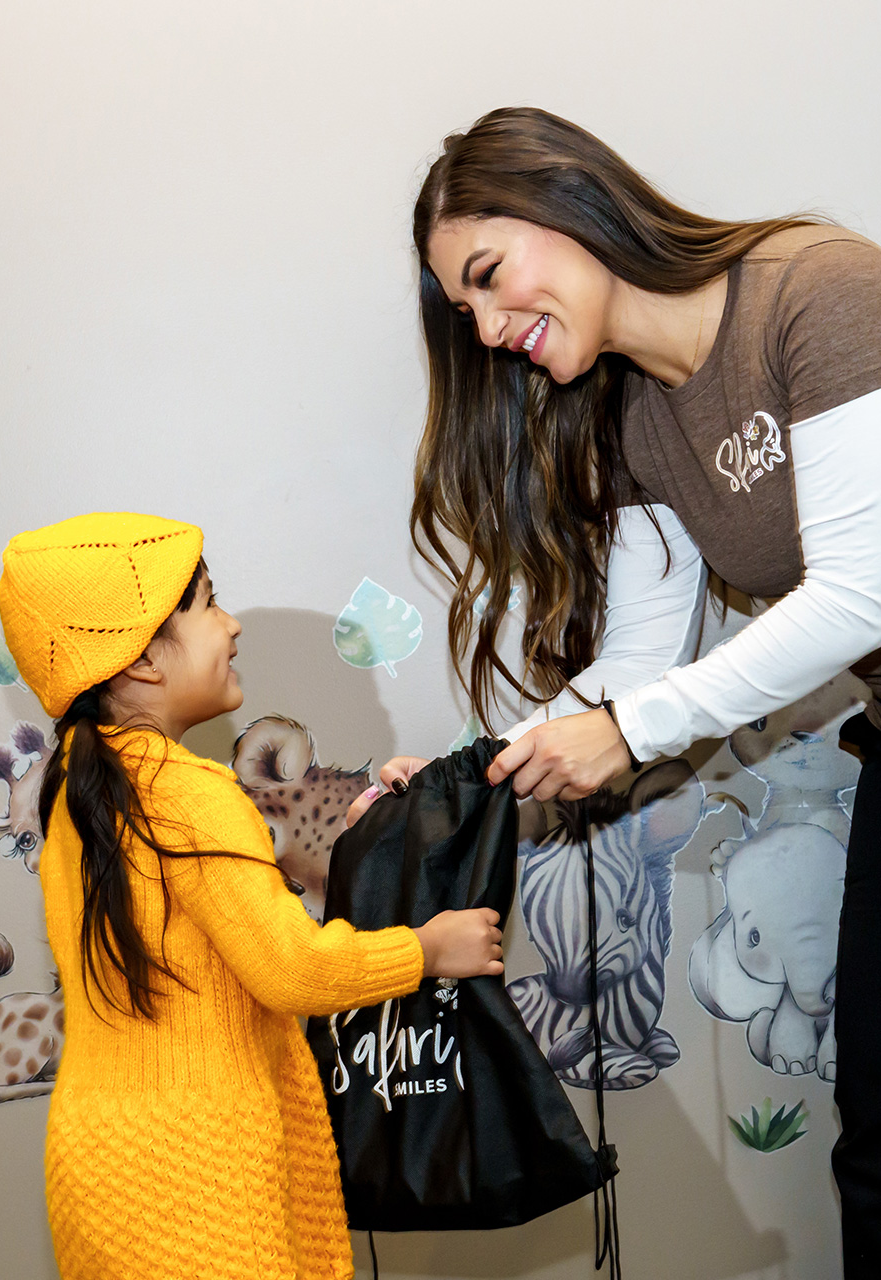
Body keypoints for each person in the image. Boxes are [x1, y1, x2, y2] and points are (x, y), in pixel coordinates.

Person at [361, 107, 881, 1276]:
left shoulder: (817, 290)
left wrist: (626, 728)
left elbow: (862, 593)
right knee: (874, 1141)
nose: (491, 328)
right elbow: (639, 666)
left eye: (489, 276)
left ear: (563, 195)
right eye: (465, 312)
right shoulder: (635, 414)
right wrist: (457, 769)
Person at [0, 511, 504, 1280]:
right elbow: (289, 968)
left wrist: (377, 810)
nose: (230, 624)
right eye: (205, 603)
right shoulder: (189, 791)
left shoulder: (79, 792)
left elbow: (211, 929)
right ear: (140, 662)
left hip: (100, 1167)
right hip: (201, 1177)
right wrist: (429, 950)